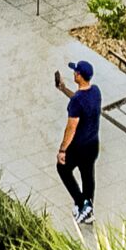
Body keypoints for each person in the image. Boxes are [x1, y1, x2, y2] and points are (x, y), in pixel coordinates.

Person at [55, 60, 103, 226]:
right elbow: (78, 99)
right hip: (93, 145)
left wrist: (62, 150)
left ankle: (81, 203)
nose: (74, 73)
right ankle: (88, 211)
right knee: (88, 176)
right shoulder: (95, 92)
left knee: (62, 168)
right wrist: (63, 89)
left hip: (79, 147)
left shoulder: (77, 102)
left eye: (76, 72)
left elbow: (71, 128)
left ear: (80, 76)